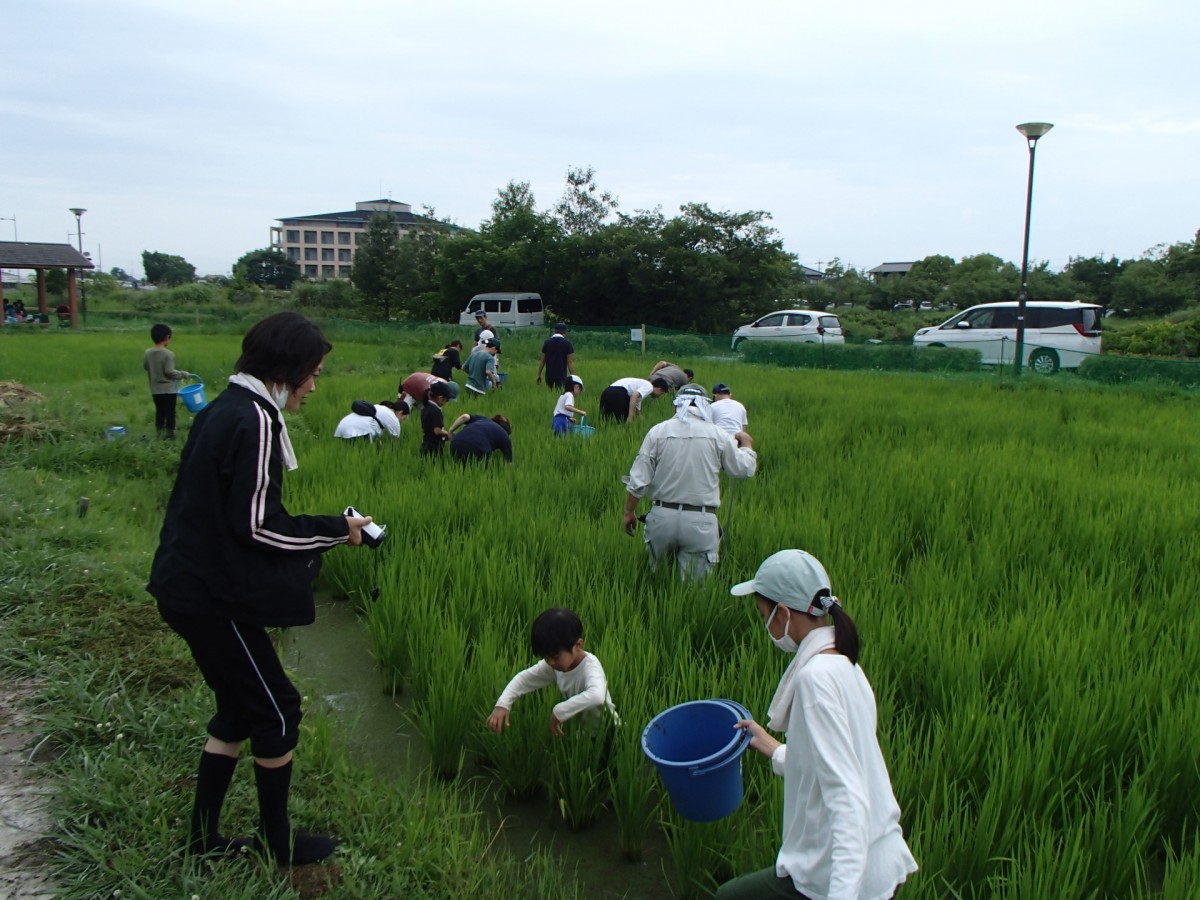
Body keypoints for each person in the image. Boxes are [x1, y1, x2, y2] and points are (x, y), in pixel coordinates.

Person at [148, 312, 374, 866]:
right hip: (210, 596)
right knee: (277, 713)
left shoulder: (225, 407)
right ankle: (279, 844)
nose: (315, 386)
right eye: (313, 373)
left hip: (187, 582)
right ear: (288, 368)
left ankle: (203, 838)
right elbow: (256, 524)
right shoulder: (254, 419)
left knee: (237, 710)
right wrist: (333, 530)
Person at [718, 549, 918, 899]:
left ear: (782, 613)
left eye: (763, 615)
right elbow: (833, 759)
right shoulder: (845, 665)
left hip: (838, 876)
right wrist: (776, 750)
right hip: (880, 863)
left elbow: (847, 801)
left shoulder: (815, 680)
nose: (765, 625)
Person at [622, 385, 756, 581]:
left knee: (656, 581)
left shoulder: (658, 431)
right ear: (705, 406)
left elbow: (638, 480)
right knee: (694, 591)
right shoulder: (718, 434)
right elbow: (744, 469)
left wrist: (629, 512)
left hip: (661, 517)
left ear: (677, 405)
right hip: (700, 521)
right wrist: (746, 444)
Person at [486, 608, 618, 737]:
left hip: (609, 732)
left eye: (555, 656)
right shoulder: (555, 665)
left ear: (578, 645)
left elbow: (597, 696)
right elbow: (524, 679)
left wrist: (559, 711)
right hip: (583, 735)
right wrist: (503, 704)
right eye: (545, 657)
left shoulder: (590, 667)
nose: (550, 662)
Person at [144, 323, 195, 440]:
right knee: (170, 412)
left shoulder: (148, 353)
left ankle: (159, 431)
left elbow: (146, 367)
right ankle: (170, 434)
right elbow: (169, 372)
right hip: (169, 389)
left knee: (160, 411)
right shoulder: (169, 354)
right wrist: (183, 374)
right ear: (167, 337)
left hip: (155, 389)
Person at [448, 412, 512, 464]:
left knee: (459, 468)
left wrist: (450, 431)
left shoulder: (483, 419)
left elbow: (465, 417)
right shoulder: (505, 435)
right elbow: (509, 463)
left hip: (456, 443)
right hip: (477, 448)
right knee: (483, 473)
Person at [599, 376, 668, 423]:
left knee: (605, 420)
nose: (659, 396)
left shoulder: (642, 384)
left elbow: (636, 403)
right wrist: (630, 417)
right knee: (621, 422)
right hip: (619, 394)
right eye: (661, 394)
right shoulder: (649, 387)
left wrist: (640, 417)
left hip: (607, 392)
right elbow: (634, 396)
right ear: (660, 389)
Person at [333, 400, 405, 441]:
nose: (403, 421)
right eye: (404, 418)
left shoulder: (378, 408)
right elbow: (395, 441)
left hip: (340, 429)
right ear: (400, 413)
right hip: (358, 433)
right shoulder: (393, 419)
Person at [536, 322, 575, 390]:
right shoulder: (567, 344)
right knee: (559, 394)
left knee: (549, 393)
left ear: (555, 331)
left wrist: (539, 374)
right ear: (564, 332)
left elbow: (542, 361)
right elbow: (569, 363)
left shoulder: (547, 342)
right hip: (561, 375)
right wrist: (574, 377)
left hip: (549, 375)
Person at [420, 381, 454, 456]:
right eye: (447, 400)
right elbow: (437, 431)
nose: (446, 402)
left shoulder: (425, 408)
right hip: (434, 448)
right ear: (440, 398)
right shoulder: (436, 411)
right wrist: (449, 434)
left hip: (426, 444)